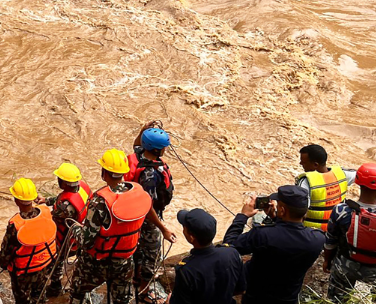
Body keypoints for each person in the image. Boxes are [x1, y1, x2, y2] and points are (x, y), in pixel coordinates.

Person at [69, 149, 152, 304]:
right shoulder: (138, 192)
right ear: (124, 173)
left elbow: (86, 241)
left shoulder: (99, 202)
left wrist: (74, 227)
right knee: (121, 299)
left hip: (96, 263)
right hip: (125, 261)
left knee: (78, 291)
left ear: (104, 172)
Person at [223, 185, 325, 304]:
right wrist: (276, 218)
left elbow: (228, 245)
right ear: (305, 212)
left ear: (282, 210)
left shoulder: (262, 235)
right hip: (289, 299)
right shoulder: (317, 238)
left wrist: (243, 216)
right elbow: (289, 235)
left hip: (257, 298)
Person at [323, 163, 376, 302]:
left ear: (358, 184)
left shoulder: (341, 211)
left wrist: (327, 261)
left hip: (345, 266)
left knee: (336, 299)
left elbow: (330, 242)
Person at [127, 124, 177, 303]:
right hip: (149, 218)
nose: (165, 149)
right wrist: (163, 228)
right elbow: (147, 206)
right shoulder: (149, 174)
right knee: (151, 254)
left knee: (139, 248)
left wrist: (143, 130)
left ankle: (136, 277)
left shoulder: (141, 154)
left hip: (138, 215)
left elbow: (136, 144)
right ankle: (144, 291)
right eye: (164, 147)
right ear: (157, 149)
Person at [34, 162, 92, 297]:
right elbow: (63, 199)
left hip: (66, 240)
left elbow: (50, 216)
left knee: (56, 263)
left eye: (59, 179)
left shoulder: (66, 208)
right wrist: (46, 200)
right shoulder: (82, 188)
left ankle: (55, 286)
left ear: (64, 183)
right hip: (80, 235)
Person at [0, 178, 58, 304]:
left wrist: (3, 265)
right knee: (40, 297)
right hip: (44, 267)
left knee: (23, 301)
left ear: (16, 200)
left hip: (23, 274)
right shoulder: (46, 213)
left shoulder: (15, 225)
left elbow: (5, 254)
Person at [168, 208, 245, 304]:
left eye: (184, 227)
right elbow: (240, 289)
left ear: (191, 238)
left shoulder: (186, 271)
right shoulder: (232, 253)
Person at [295, 144, 356, 231]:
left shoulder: (305, 181)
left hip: (313, 233)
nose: (300, 163)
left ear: (315, 165)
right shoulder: (342, 174)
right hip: (337, 231)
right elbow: (361, 174)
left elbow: (298, 211)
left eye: (303, 162)